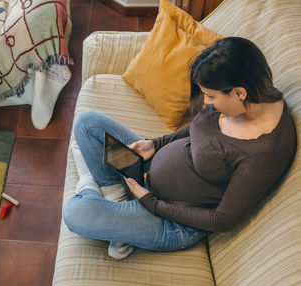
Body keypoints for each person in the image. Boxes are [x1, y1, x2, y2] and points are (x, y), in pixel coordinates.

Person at [63, 37, 296, 260]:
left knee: (75, 213)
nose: (205, 102)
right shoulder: (250, 96)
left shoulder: (261, 155)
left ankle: (94, 188)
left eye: (210, 96)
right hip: (147, 169)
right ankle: (119, 204)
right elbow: (201, 128)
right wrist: (156, 144)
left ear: (238, 93)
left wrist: (151, 203)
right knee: (88, 124)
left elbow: (222, 220)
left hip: (170, 220)